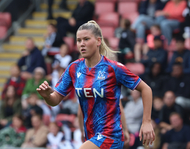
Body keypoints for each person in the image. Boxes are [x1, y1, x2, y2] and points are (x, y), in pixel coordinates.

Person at [37, 20, 155, 149]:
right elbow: (55, 100)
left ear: (98, 41)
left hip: (111, 136)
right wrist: (47, 95)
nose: (82, 44)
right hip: (91, 136)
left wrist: (147, 122)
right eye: (79, 40)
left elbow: (146, 89)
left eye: (86, 39)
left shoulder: (113, 68)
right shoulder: (74, 68)